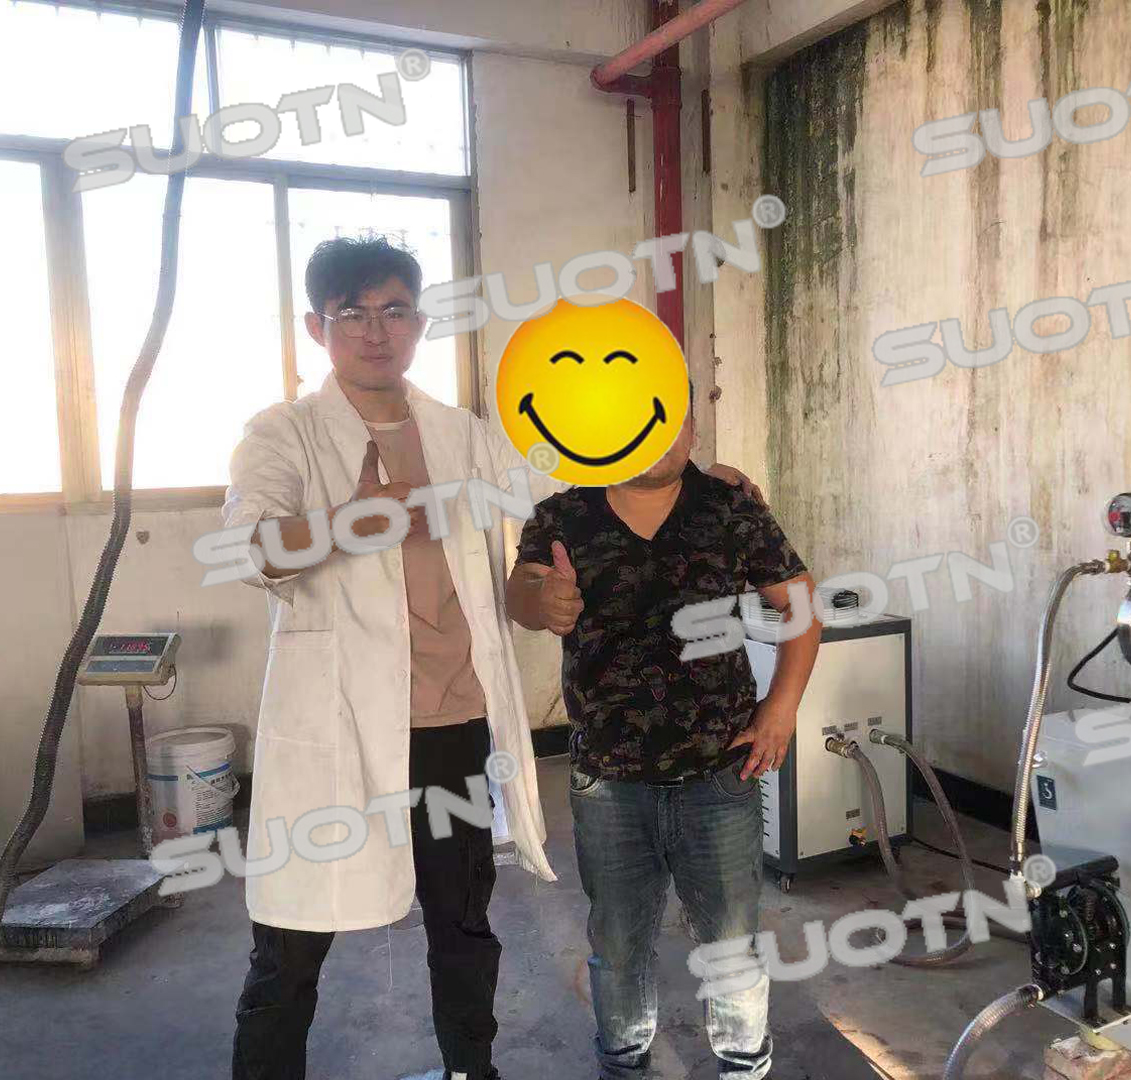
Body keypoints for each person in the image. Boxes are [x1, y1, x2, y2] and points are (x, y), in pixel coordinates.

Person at [223, 236, 762, 1080]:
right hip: (336, 733)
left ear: (419, 323)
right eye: (352, 313)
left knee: (462, 923)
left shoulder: (460, 434)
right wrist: (346, 521)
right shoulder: (281, 434)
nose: (375, 331)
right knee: (291, 940)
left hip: (452, 724)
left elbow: (575, 465)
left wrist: (689, 473)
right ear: (316, 327)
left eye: (395, 310)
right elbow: (248, 546)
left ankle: (471, 1069)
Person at [506, 395, 821, 1080]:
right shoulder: (562, 516)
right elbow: (520, 590)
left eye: (672, 417)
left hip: (720, 773)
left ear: (693, 426)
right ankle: (623, 1064)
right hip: (608, 780)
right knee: (618, 946)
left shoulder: (731, 508)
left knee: (732, 947)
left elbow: (799, 604)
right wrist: (541, 600)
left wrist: (781, 709)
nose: (658, 435)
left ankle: (744, 1065)